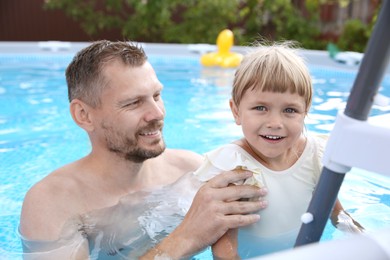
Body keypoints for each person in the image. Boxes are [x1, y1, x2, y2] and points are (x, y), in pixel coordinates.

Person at [19, 40, 267, 259]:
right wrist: (186, 238)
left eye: (156, 95)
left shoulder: (191, 171)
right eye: (134, 102)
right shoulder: (53, 203)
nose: (157, 114)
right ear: (83, 115)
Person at [194, 42, 365, 259]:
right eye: (260, 108)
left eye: (290, 110)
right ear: (236, 111)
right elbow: (224, 250)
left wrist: (365, 239)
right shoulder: (233, 167)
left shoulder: (315, 155)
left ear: (305, 112)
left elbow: (336, 213)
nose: (275, 122)